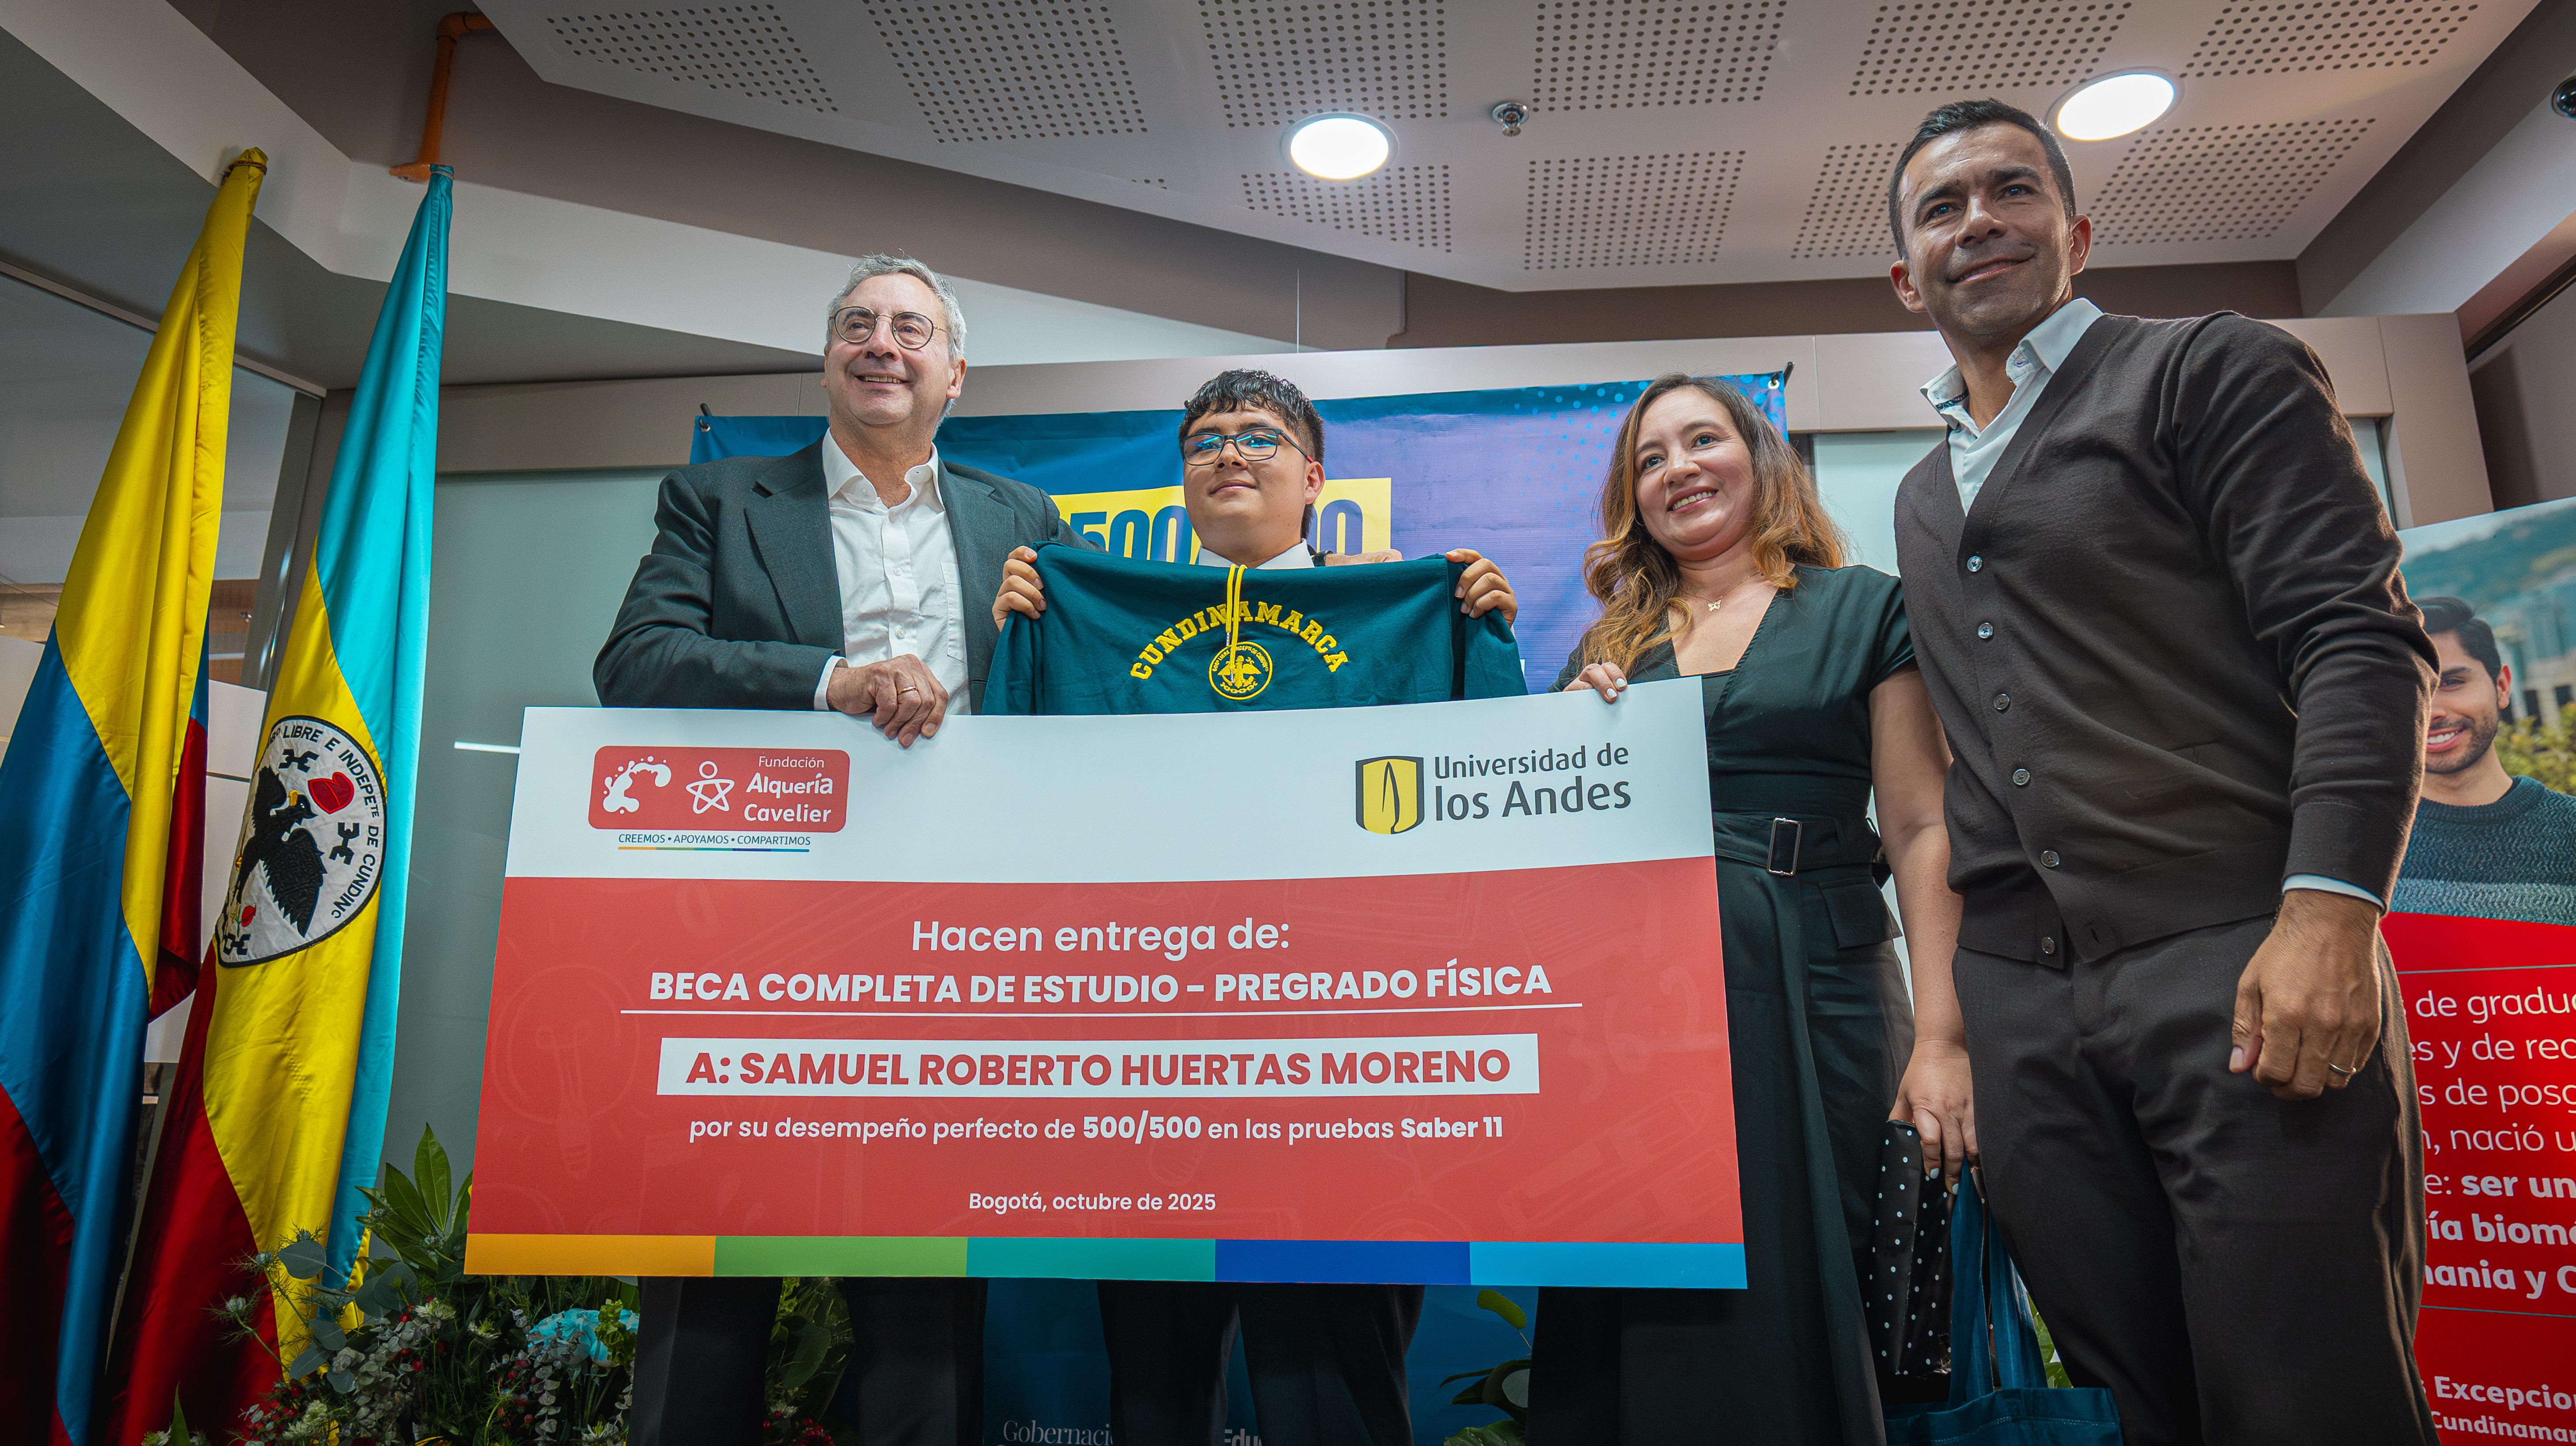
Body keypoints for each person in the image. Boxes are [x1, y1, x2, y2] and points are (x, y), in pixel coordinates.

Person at [1883, 98, 2438, 1445]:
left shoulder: (2209, 368)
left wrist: (2330, 910)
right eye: (1943, 208)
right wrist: (1959, 1027)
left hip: (2239, 960)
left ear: (2076, 233)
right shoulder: (1919, 494)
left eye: (2011, 190)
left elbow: (2356, 640)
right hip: (2028, 1018)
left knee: (2309, 1398)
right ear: (1906, 278)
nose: (1979, 222)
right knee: (2135, 1401)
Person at [595, 254, 1092, 1446]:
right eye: (857, 324)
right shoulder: (719, 498)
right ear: (827, 361)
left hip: (948, 953)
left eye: (912, 329)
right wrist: (834, 681)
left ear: (956, 373)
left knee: (923, 1308)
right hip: (753, 945)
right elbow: (636, 661)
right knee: (709, 1294)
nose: (881, 343)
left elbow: (1071, 687)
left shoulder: (1022, 517)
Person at [992, 368, 1517, 1446]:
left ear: (1315, 476)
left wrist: (1481, 628)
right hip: (1153, 1070)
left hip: (1340, 1073)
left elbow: (1498, 803)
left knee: (1333, 1388)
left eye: (1259, 436)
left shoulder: (1412, 610)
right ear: (1182, 482)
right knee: (1154, 1384)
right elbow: (1009, 799)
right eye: (1205, 441)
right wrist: (1026, 633)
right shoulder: (1083, 615)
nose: (1229, 452)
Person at [1530, 374, 1965, 1444]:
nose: (1677, 468)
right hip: (1638, 1015)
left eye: (1701, 440)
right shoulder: (1605, 652)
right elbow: (1549, 859)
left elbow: (1922, 827)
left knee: (1822, 1275)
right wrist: (1566, 739)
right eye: (1650, 458)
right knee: (1651, 1285)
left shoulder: (1867, 606)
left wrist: (1945, 1037)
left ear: (1758, 457)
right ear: (1633, 498)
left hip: (1824, 989)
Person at [2392, 596, 2576, 925]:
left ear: (2502, 687)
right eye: (2409, 691)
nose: (2433, 712)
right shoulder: (2355, 846)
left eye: (2451, 682)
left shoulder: (2570, 828)